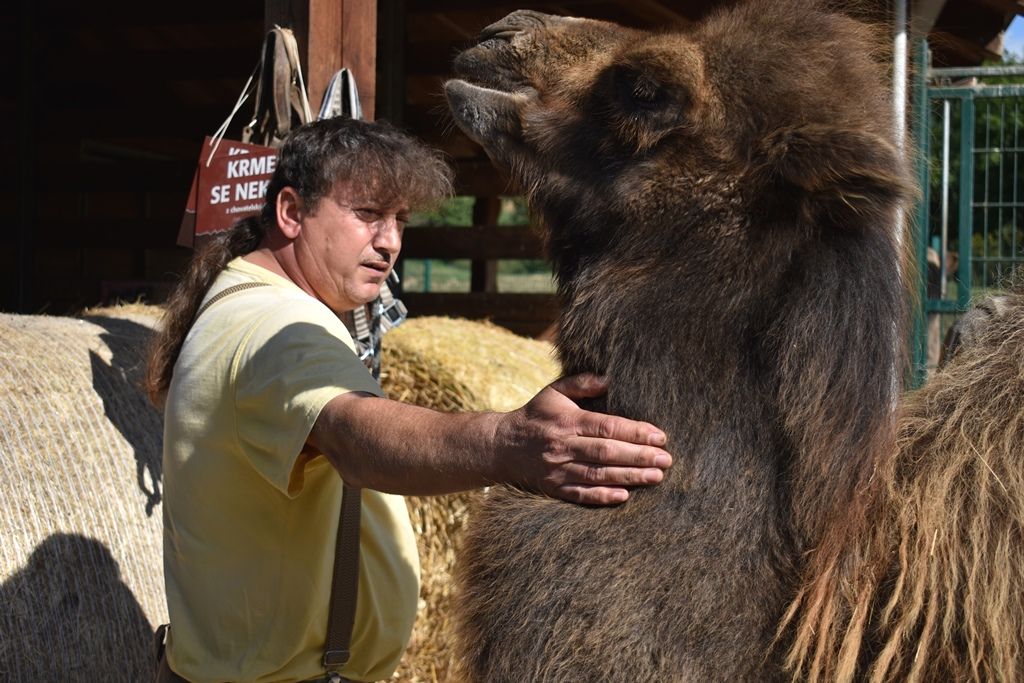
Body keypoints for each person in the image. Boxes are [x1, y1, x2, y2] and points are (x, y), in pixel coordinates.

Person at [146, 118, 672, 683]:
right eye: (368, 214)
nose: (391, 242)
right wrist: (510, 443)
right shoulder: (275, 326)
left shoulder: (245, 303)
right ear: (292, 212)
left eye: (400, 219)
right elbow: (353, 434)